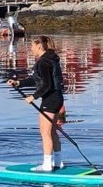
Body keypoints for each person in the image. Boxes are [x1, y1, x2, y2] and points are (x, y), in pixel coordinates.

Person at [7, 35, 64, 172]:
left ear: (39, 46)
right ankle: (57, 162)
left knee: (45, 133)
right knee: (52, 132)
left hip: (50, 99)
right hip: (57, 98)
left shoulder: (44, 62)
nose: (31, 48)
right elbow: (36, 79)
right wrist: (19, 83)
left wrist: (33, 96)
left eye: (32, 46)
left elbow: (46, 85)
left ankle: (46, 165)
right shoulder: (51, 59)